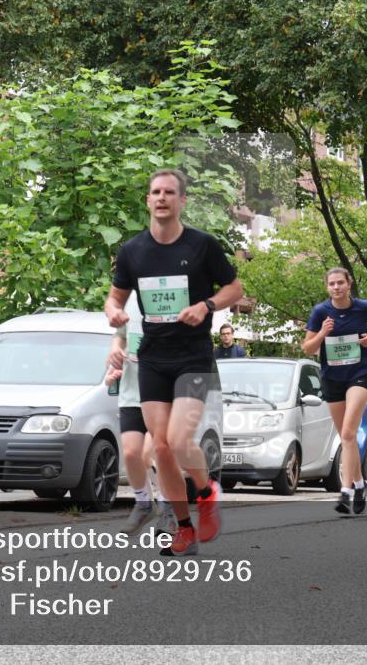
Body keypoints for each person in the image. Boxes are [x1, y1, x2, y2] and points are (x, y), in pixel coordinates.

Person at [104, 169, 243, 556]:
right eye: (155, 192)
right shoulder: (133, 251)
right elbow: (114, 297)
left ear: (182, 201)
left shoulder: (202, 246)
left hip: (193, 357)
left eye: (169, 192)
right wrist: (113, 312)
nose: (161, 198)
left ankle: (206, 490)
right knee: (161, 448)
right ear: (147, 201)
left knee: (180, 441)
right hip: (152, 358)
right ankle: (184, 527)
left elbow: (235, 288)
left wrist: (206, 305)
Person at [302, 267, 367, 515]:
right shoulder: (320, 312)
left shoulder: (364, 307)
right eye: (331, 284)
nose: (336, 287)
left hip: (359, 375)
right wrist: (323, 333)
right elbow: (307, 348)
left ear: (349, 284)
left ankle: (346, 491)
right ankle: (360, 484)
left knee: (348, 432)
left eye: (340, 283)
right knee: (346, 439)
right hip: (332, 378)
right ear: (327, 287)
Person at [105, 293, 176, 535]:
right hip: (131, 392)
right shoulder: (129, 299)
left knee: (151, 452)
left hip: (162, 392)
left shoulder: (173, 295)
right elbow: (120, 337)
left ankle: (168, 509)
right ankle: (144, 503)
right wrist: (115, 355)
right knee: (132, 452)